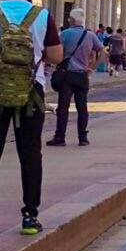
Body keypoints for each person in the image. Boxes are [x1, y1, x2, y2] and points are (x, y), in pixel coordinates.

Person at [0, 0, 63, 235]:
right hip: (31, 92)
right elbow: (55, 56)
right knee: (30, 154)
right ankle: (30, 217)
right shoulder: (42, 16)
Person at [47, 9, 104, 148]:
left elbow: (57, 52)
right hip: (82, 75)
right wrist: (93, 67)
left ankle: (60, 137)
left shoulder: (65, 34)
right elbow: (103, 53)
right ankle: (82, 137)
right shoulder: (90, 35)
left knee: (63, 107)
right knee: (82, 107)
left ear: (72, 20)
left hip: (67, 75)